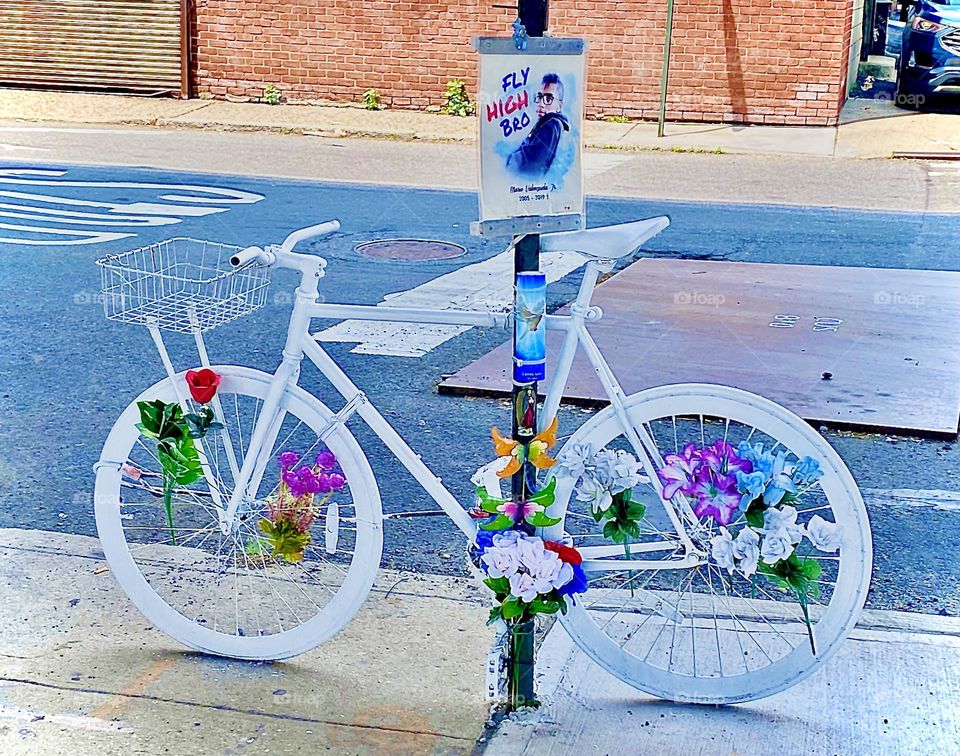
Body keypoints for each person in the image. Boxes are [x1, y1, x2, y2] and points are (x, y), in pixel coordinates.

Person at [507, 73, 570, 177]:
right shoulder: (548, 124)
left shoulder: (551, 126)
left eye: (549, 99)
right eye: (539, 97)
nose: (541, 103)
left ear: (559, 106)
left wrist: (512, 158)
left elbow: (531, 165)